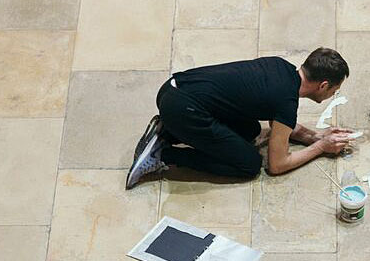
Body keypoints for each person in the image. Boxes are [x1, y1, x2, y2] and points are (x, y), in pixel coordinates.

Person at [126, 48, 354, 189]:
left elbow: (281, 127)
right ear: (323, 85)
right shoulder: (286, 102)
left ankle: (169, 131)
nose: (331, 95)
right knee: (249, 164)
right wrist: (321, 148)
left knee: (250, 131)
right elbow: (277, 164)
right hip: (184, 109)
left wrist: (316, 137)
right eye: (333, 90)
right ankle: (163, 154)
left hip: (173, 89)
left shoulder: (280, 67)